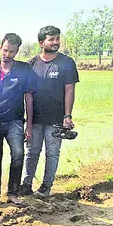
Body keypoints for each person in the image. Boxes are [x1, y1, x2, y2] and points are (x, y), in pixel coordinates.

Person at [22, 25, 79, 198]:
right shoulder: (31, 64)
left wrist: (67, 116)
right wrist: (28, 122)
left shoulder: (66, 63)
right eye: (51, 39)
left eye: (57, 39)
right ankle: (26, 185)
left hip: (56, 118)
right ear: (41, 43)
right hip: (36, 118)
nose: (55, 42)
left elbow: (69, 90)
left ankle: (45, 187)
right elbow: (28, 95)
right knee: (31, 152)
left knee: (52, 153)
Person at [0, 33, 36, 205]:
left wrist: (28, 126)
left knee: (18, 154)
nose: (7, 54)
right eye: (5, 50)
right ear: (1, 47)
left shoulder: (24, 70)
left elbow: (29, 97)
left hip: (14, 121)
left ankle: (13, 192)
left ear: (16, 52)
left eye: (12, 52)